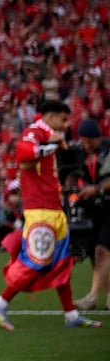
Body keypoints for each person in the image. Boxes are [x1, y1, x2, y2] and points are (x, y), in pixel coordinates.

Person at [0, 100, 102, 329]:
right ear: (51, 117)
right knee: (36, 261)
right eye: (63, 119)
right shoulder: (35, 132)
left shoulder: (49, 136)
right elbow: (24, 154)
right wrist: (52, 144)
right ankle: (0, 303)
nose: (66, 124)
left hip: (52, 208)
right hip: (40, 210)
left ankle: (71, 315)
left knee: (62, 260)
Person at [70, 118, 110, 311]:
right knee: (96, 251)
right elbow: (74, 174)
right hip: (94, 209)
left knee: (102, 249)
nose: (85, 145)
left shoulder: (108, 149)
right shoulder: (81, 154)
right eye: (83, 141)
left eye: (89, 141)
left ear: (97, 138)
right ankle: (109, 295)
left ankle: (92, 296)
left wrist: (96, 189)